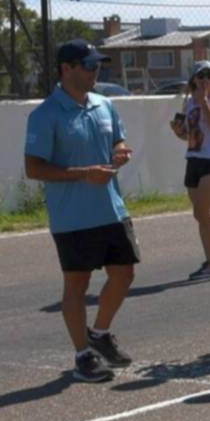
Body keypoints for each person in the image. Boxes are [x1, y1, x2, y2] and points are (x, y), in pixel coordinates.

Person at [23, 40, 138, 383]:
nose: (95, 71)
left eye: (97, 65)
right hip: (72, 216)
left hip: (112, 208)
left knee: (125, 274)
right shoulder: (45, 115)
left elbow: (118, 139)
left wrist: (120, 151)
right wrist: (85, 173)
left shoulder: (105, 104)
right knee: (77, 284)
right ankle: (83, 355)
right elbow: (34, 168)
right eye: (88, 65)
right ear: (67, 69)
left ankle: (99, 334)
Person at [170, 60, 210, 280]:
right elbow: (190, 135)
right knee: (202, 216)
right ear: (194, 79)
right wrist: (178, 131)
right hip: (194, 160)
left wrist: (204, 101)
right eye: (201, 76)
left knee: (201, 213)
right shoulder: (189, 102)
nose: (206, 80)